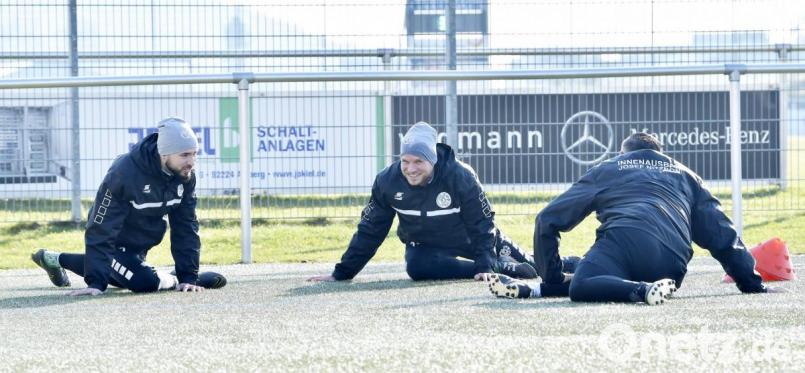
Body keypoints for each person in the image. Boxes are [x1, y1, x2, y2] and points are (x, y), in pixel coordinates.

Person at [484, 132, 785, 305]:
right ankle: (537, 288)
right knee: (587, 267)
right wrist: (752, 284)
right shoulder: (686, 175)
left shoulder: (610, 168)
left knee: (583, 284)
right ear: (660, 153)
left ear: (623, 154)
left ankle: (636, 290)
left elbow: (547, 220)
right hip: (671, 264)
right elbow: (724, 237)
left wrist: (550, 277)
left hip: (623, 244)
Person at [308, 121, 579, 283]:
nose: (410, 168)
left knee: (534, 266)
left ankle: (572, 262)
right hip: (426, 246)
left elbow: (482, 222)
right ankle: (499, 267)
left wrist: (485, 261)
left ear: (433, 161)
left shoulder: (460, 176)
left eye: (418, 162)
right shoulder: (387, 182)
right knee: (416, 268)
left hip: (471, 239)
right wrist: (342, 273)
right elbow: (371, 229)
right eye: (405, 161)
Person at [31, 117, 226, 296]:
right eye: (184, 155)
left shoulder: (185, 176)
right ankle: (169, 278)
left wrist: (189, 278)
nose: (191, 162)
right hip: (114, 243)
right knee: (144, 281)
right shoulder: (124, 173)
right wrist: (96, 283)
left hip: (139, 246)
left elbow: (186, 227)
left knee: (130, 275)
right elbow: (101, 227)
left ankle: (52, 259)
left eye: (194, 154)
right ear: (164, 153)